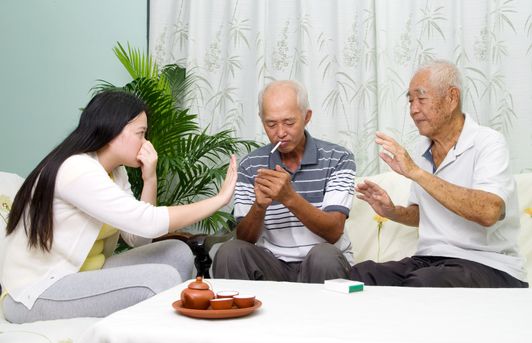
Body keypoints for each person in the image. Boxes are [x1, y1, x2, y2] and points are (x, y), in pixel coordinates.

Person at [0, 91, 237, 323]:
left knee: (176, 252)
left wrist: (150, 179)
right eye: (140, 134)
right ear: (112, 129)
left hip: (83, 274)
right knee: (158, 279)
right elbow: (149, 223)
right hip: (36, 291)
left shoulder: (115, 172)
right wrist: (219, 199)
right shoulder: (76, 168)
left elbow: (139, 237)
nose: (146, 143)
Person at [349, 60, 528, 288]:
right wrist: (392, 211)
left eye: (421, 99)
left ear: (452, 98)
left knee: (424, 283)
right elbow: (422, 214)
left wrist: (415, 172)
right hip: (430, 260)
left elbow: (489, 211)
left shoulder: (488, 142)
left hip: (488, 264)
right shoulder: (422, 151)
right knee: (361, 275)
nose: (413, 109)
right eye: (410, 101)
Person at [213, 80, 356, 283]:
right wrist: (259, 206)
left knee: (323, 256)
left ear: (306, 117)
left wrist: (289, 198)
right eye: (271, 124)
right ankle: (236, 313)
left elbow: (334, 232)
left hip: (322, 262)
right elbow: (245, 239)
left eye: (289, 123)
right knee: (230, 252)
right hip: (273, 264)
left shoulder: (338, 158)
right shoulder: (251, 165)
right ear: (262, 121)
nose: (280, 132)